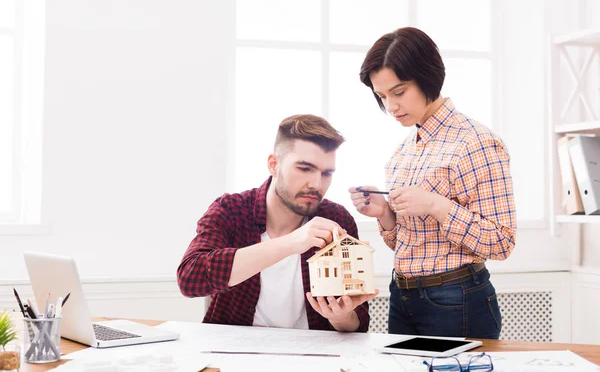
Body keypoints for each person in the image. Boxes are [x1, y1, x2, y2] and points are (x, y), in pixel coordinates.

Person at [349, 27, 516, 339]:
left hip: (456, 298)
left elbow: (502, 241)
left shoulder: (476, 142)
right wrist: (385, 214)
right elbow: (409, 244)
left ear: (428, 77)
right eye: (382, 96)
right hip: (402, 296)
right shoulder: (402, 152)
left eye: (398, 92)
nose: (391, 107)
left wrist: (436, 206)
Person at [178, 114, 377, 332]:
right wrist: (291, 243)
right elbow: (190, 278)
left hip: (313, 357)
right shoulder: (231, 210)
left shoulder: (336, 218)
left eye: (326, 173)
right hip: (234, 355)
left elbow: (358, 324)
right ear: (274, 165)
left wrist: (341, 317)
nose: (316, 184)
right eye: (304, 168)